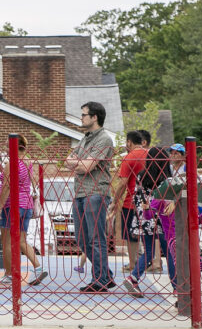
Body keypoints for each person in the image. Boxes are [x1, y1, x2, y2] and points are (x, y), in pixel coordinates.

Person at [65, 101, 115, 291]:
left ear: (95, 117)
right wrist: (80, 162)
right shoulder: (84, 139)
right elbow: (67, 161)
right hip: (80, 191)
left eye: (84, 114)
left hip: (95, 192)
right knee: (81, 238)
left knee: (96, 237)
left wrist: (78, 163)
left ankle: (100, 280)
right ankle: (106, 274)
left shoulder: (104, 139)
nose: (81, 117)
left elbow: (86, 167)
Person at [0, 134, 48, 286]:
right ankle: (38, 268)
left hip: (12, 205)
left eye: (8, 145)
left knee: (6, 241)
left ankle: (9, 274)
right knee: (21, 240)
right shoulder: (27, 162)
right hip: (26, 205)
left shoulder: (11, 163)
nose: (6, 148)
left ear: (15, 146)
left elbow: (7, 186)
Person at [122, 145, 173, 297]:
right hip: (162, 219)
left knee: (149, 252)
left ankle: (133, 278)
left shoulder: (141, 176)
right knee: (170, 252)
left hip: (145, 218)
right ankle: (177, 287)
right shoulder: (166, 180)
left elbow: (137, 198)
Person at [109, 130, 148, 273]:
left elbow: (122, 183)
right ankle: (150, 261)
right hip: (150, 202)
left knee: (131, 235)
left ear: (129, 142)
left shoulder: (129, 158)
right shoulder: (150, 155)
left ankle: (133, 264)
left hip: (131, 202)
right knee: (150, 234)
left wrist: (115, 201)